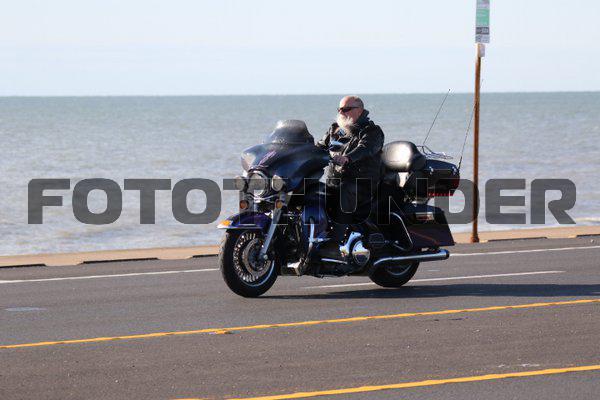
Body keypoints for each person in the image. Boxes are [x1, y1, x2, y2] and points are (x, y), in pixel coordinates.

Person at [317, 95, 384, 247]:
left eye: (346, 109)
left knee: (345, 191)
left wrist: (348, 158)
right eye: (339, 109)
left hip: (362, 183)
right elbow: (319, 146)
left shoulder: (372, 131)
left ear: (359, 110)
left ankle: (334, 244)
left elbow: (366, 148)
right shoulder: (335, 130)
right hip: (335, 181)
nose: (341, 112)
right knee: (311, 192)